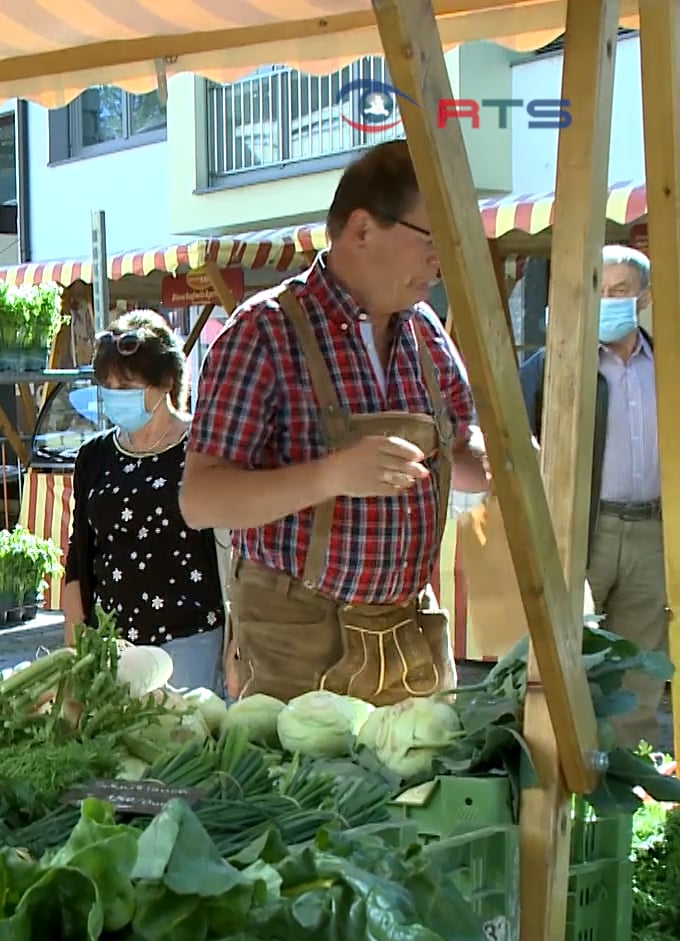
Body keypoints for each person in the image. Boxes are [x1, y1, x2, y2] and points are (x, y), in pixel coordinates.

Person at [182, 139, 489, 707]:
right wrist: (331, 475)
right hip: (297, 641)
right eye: (432, 239)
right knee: (307, 795)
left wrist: (505, 461)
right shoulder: (262, 333)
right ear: (363, 229)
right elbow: (201, 499)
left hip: (407, 634)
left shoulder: (425, 333)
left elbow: (465, 451)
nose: (440, 259)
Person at [519, 245, 667, 747]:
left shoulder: (665, 365)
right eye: (599, 291)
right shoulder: (557, 362)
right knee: (562, 658)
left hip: (653, 533)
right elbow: (512, 433)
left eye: (621, 291)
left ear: (644, 297)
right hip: (582, 529)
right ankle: (555, 773)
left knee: (640, 665)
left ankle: (626, 788)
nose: (608, 301)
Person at [63, 312, 225, 694]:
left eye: (127, 384)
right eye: (108, 384)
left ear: (165, 382)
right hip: (110, 646)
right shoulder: (95, 456)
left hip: (191, 641)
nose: (115, 394)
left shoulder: (202, 448)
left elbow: (233, 552)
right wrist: (75, 645)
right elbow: (79, 556)